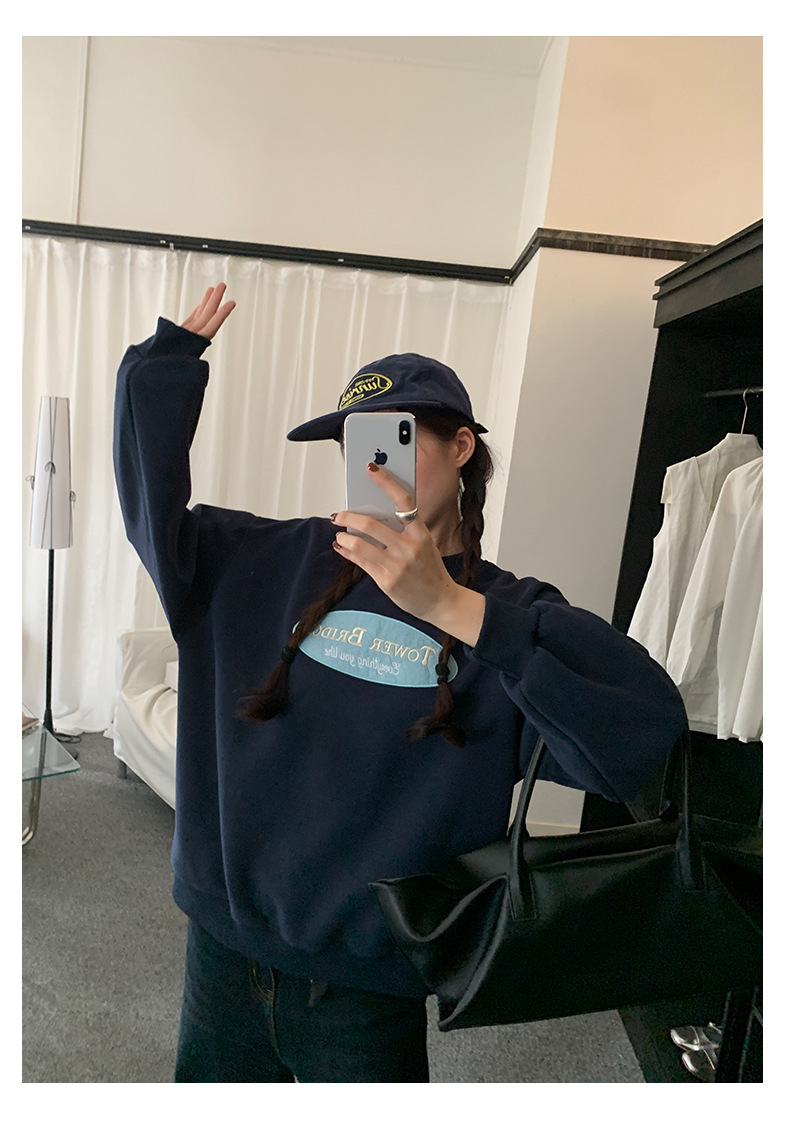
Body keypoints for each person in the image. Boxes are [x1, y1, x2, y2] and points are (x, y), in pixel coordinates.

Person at [113, 283, 687, 1083]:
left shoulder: (508, 614)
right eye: (356, 441)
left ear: (462, 447)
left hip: (369, 989)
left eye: (399, 434)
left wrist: (456, 608)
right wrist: (161, 369)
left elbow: (644, 732)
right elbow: (153, 516)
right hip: (223, 951)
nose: (373, 458)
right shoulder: (266, 562)